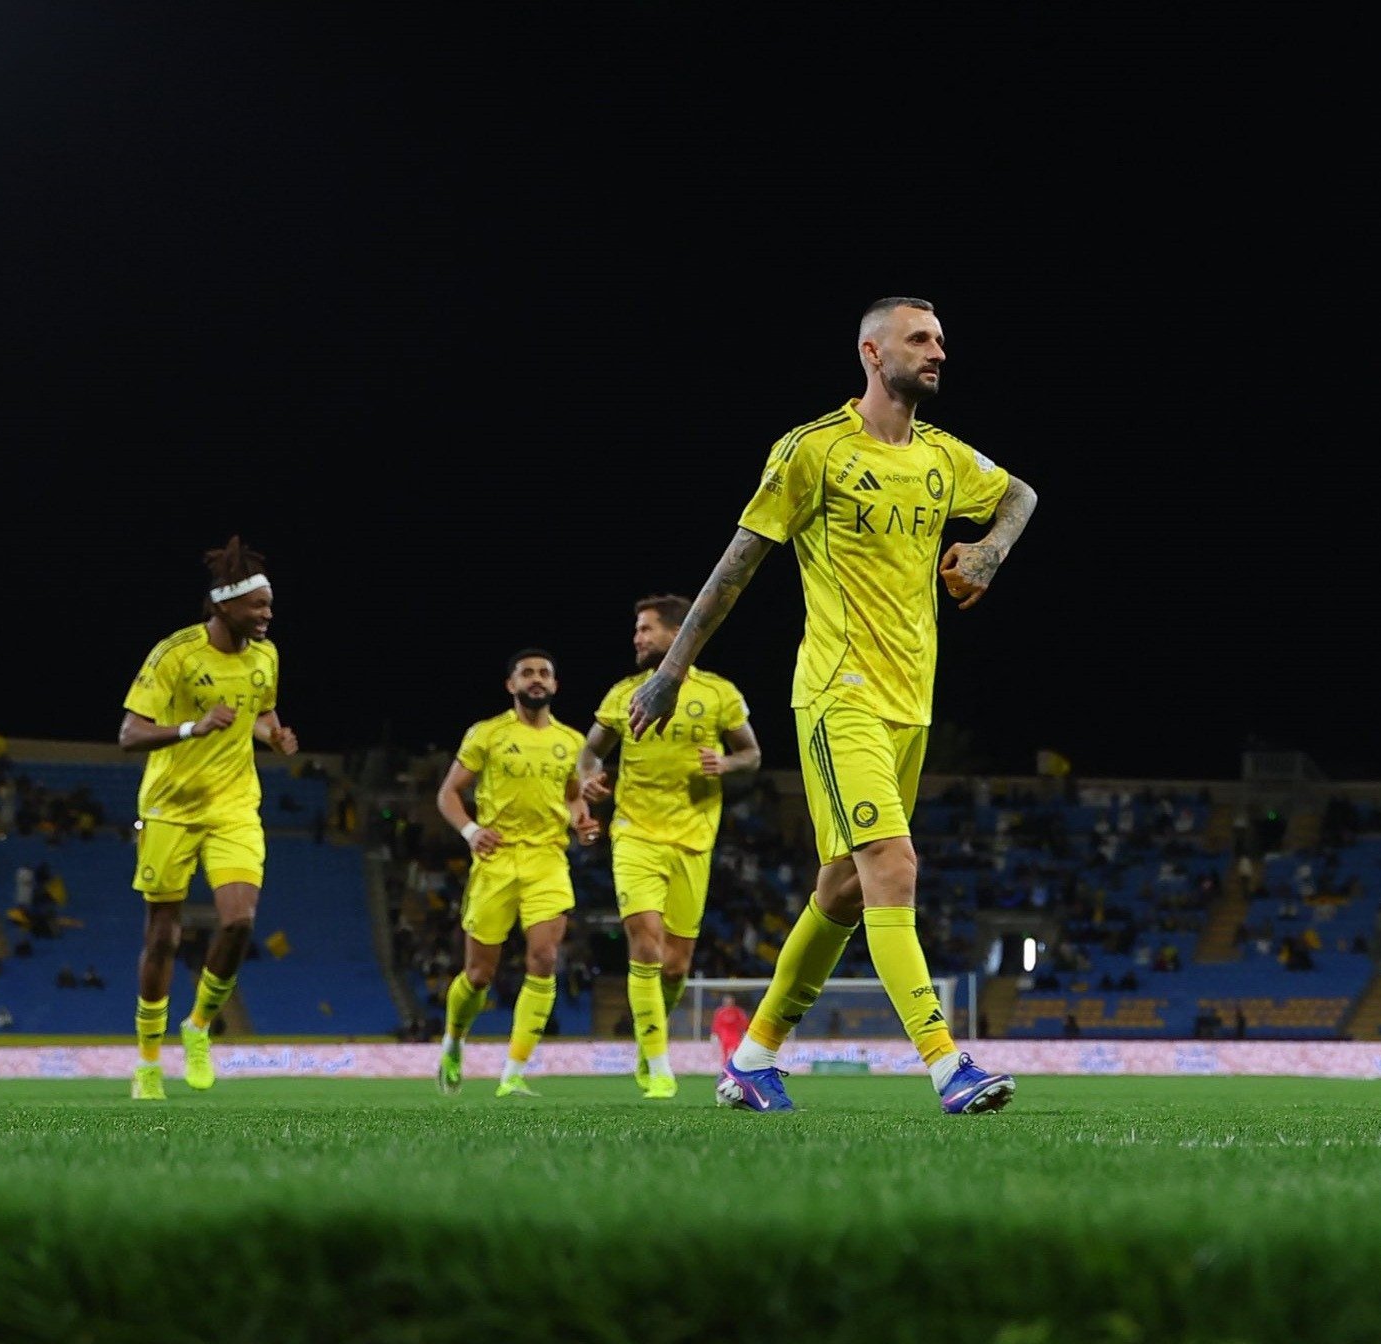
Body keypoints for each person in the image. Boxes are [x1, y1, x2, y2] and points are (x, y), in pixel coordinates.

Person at [631, 296, 1041, 1116]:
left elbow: (1022, 493)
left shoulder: (941, 457)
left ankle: (751, 1060)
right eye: (919, 339)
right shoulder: (813, 450)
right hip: (837, 695)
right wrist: (673, 668)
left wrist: (991, 550)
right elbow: (739, 560)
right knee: (892, 867)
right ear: (870, 351)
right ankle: (946, 1064)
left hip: (911, 706)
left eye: (941, 341)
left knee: (843, 891)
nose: (937, 352)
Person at [117, 539, 296, 1100]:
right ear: (224, 605)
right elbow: (129, 734)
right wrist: (194, 727)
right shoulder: (175, 654)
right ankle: (148, 1061)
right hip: (169, 807)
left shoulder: (266, 657)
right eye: (259, 605)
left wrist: (275, 734)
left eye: (270, 604)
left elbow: (261, 712)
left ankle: (198, 1026)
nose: (268, 613)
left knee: (240, 922)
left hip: (235, 805)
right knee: (163, 937)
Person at [591, 594, 761, 1097]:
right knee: (644, 941)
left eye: (646, 629)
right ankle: (659, 1065)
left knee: (676, 965)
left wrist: (725, 764)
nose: (637, 637)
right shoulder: (624, 693)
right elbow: (588, 754)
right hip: (635, 834)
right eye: (637, 629)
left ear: (677, 633)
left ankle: (650, 1041)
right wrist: (589, 779)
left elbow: (751, 754)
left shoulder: (718, 693)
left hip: (692, 841)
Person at [433, 648, 599, 1096]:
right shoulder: (486, 734)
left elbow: (572, 797)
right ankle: (453, 1040)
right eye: (526, 673)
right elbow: (448, 794)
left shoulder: (571, 741)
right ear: (511, 685)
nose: (536, 679)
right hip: (497, 860)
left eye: (545, 672)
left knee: (544, 960)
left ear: (555, 685)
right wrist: (470, 830)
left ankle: (514, 1073)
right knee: (479, 975)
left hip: (547, 859)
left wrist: (580, 821)